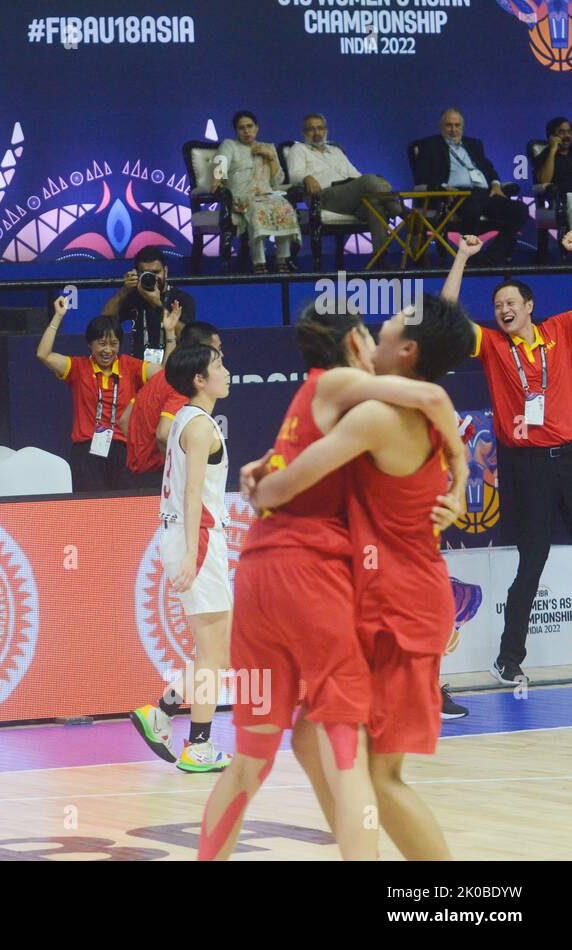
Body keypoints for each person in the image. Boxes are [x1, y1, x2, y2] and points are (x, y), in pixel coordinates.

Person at [195, 302, 467, 861]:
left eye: (386, 332)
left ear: (403, 351)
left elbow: (288, 480)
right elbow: (316, 450)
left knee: (362, 768)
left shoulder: (373, 410)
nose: (376, 339)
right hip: (333, 584)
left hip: (381, 600)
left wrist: (265, 481)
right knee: (333, 750)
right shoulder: (365, 404)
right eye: (372, 331)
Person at [442, 232, 572, 685]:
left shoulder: (559, 331)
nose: (503, 309)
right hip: (527, 467)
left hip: (569, 458)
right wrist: (462, 256)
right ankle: (508, 657)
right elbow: (445, 314)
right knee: (532, 560)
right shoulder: (494, 346)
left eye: (510, 301)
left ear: (530, 305)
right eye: (498, 304)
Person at [134, 345, 233, 772]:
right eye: (218, 366)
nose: (226, 372)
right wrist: (194, 555)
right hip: (199, 538)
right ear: (199, 379)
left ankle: (159, 715)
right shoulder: (199, 427)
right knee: (214, 653)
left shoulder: (183, 420)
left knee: (213, 652)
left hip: (188, 536)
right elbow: (193, 494)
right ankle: (198, 747)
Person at [37, 302, 146, 492]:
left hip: (122, 451)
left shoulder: (130, 367)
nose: (108, 350)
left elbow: (165, 374)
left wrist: (170, 334)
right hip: (86, 452)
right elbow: (43, 354)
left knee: (123, 512)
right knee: (91, 513)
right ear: (90, 343)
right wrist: (58, 316)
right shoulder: (78, 368)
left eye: (114, 344)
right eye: (101, 343)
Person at [411, 109, 528, 265]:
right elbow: (422, 176)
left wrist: (495, 184)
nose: (453, 130)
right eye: (449, 125)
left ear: (463, 127)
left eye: (457, 125)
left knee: (519, 209)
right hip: (454, 195)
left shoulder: (474, 144)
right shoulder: (429, 146)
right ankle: (470, 257)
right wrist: (443, 187)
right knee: (471, 207)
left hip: (484, 194)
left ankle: (492, 257)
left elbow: (489, 168)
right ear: (440, 126)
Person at [286, 113, 404, 258]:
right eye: (311, 129)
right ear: (304, 133)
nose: (317, 133)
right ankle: (402, 213)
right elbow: (293, 175)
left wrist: (377, 182)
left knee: (375, 203)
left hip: (349, 196)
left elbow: (357, 176)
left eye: (320, 128)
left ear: (326, 131)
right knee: (369, 180)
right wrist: (306, 177)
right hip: (325, 196)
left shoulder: (336, 151)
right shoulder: (298, 149)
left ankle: (380, 258)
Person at [123, 321, 221, 493]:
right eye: (217, 349)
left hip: (136, 477)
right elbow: (163, 434)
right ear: (199, 351)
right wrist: (177, 469)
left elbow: (124, 420)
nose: (221, 354)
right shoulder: (182, 384)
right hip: (158, 480)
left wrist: (142, 450)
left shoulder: (160, 377)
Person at [215, 111, 301, 273]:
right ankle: (259, 262)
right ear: (236, 131)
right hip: (242, 195)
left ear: (257, 128)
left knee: (283, 207)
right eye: (241, 128)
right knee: (257, 208)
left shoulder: (268, 147)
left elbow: (277, 182)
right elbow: (219, 172)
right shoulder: (229, 145)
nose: (246, 131)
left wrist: (271, 158)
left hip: (267, 194)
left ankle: (283, 259)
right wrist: (223, 194)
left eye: (250, 126)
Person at [101, 246, 196, 358]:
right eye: (146, 273)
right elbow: (105, 320)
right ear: (137, 274)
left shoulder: (181, 299)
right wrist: (123, 291)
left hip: (173, 367)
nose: (153, 278)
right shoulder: (133, 296)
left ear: (165, 271)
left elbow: (187, 338)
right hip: (140, 367)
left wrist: (157, 304)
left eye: (156, 272)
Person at [535, 116, 572, 230]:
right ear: (551, 137)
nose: (567, 136)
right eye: (561, 132)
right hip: (563, 200)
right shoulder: (545, 155)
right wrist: (552, 150)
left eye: (569, 132)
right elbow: (544, 181)